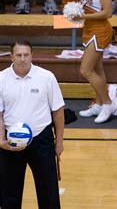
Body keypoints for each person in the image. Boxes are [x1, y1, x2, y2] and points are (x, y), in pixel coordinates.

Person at [0, 40, 65, 209]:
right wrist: (1, 141)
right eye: (18, 55)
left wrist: (58, 143)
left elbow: (58, 111)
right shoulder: (1, 79)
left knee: (48, 192)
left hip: (41, 140)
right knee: (9, 192)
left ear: (32, 56)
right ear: (11, 57)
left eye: (26, 55)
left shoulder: (46, 77)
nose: (22, 59)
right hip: (11, 142)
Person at [76, 0, 116, 124]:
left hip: (100, 30)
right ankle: (99, 103)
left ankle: (108, 103)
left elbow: (108, 12)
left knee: (85, 70)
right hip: (89, 28)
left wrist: (83, 16)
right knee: (98, 69)